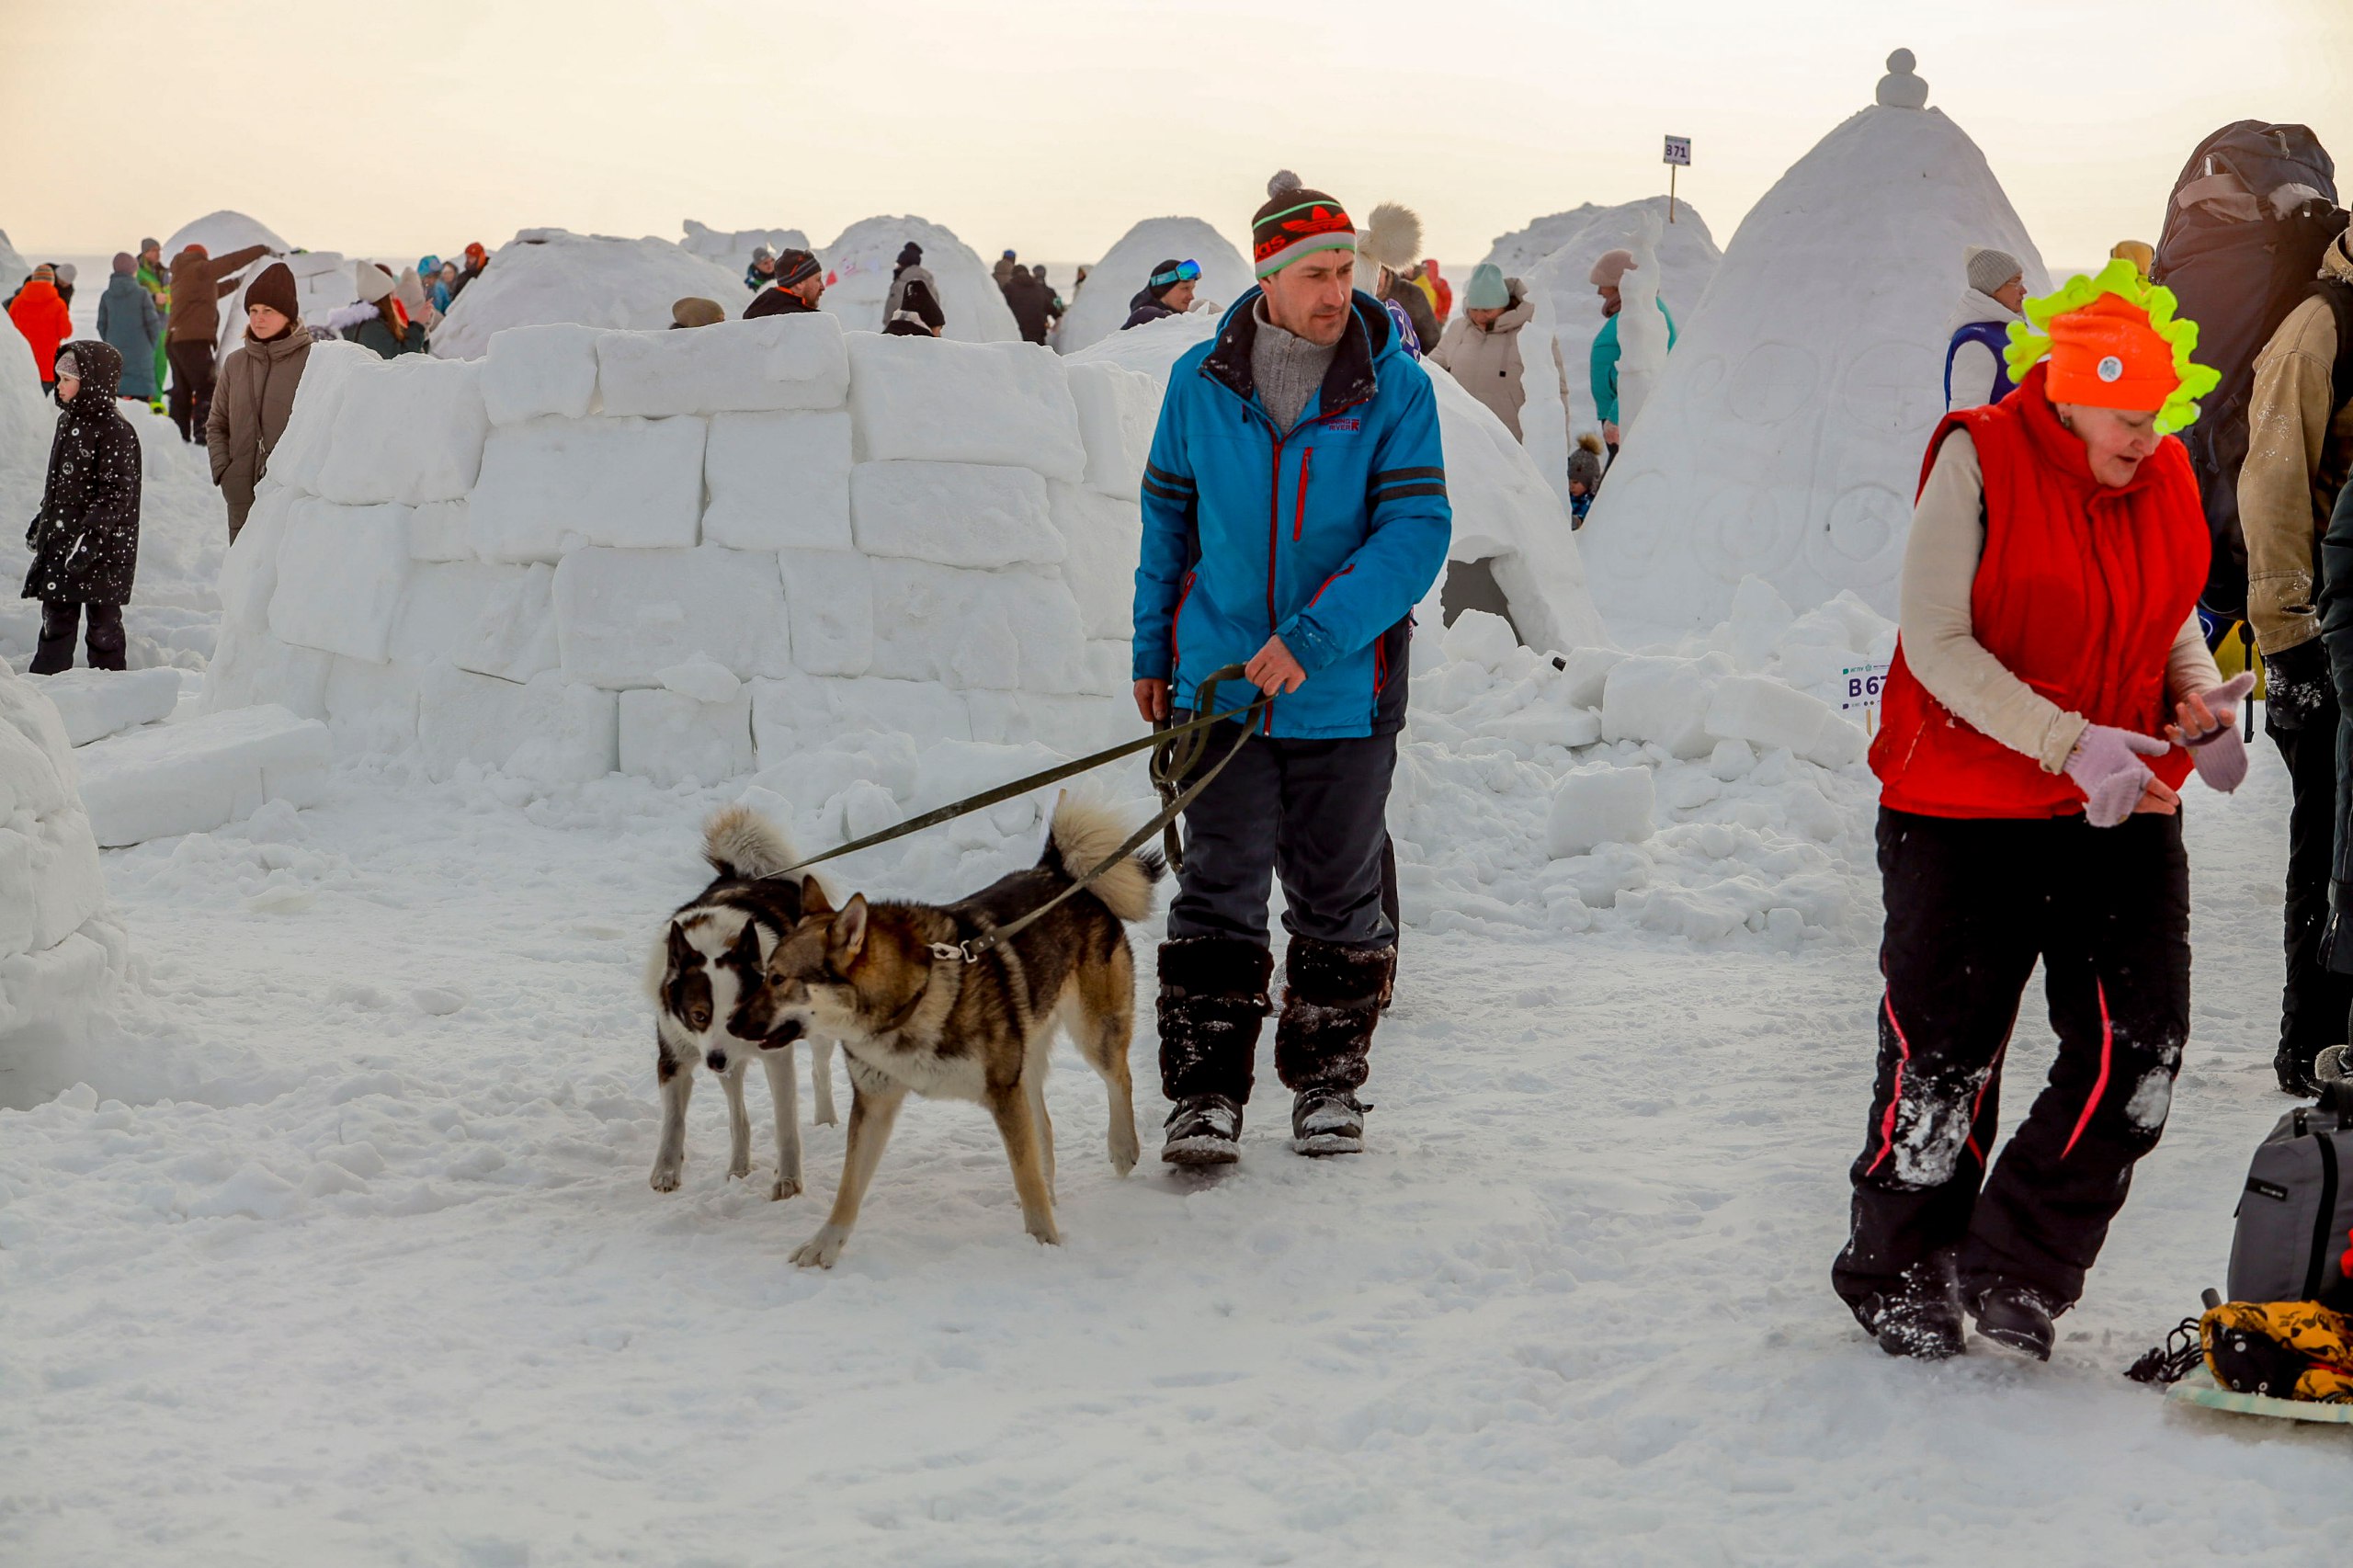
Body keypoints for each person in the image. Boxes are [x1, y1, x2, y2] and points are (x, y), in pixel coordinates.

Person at [1834, 261, 2234, 1361]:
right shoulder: (1980, 456)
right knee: (1945, 1057)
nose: (2145, 436)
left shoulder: (2160, 475)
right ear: (2065, 390)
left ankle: (2016, 1264)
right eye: (2124, 416)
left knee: (2137, 1048)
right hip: (1964, 804)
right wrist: (2067, 737)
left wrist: (2195, 702)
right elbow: (1936, 642)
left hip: (2117, 800)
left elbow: (2166, 619)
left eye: (2158, 415)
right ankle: (1899, 1266)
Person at [1133, 171, 1451, 1165]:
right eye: (1312, 272)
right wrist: (1153, 648)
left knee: (1337, 892)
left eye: (1344, 269)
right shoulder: (1198, 382)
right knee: (1218, 889)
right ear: (1266, 278)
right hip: (1219, 685)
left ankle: (1327, 1084)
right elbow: (1166, 524)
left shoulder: (1393, 384)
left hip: (1344, 689)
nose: (1333, 291)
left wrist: (1312, 639)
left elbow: (1414, 532)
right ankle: (1203, 1096)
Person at [2238, 216, 2353, 1094]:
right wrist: (2291, 640)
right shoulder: (2319, 327)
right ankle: (2307, 1038)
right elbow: (2272, 484)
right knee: (2325, 837)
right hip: (2318, 632)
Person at [21, 342, 141, 674]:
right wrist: (43, 520)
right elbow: (59, 486)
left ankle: (109, 686)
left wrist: (91, 537)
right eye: (58, 378)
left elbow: (116, 493)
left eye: (66, 379)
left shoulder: (115, 430)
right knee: (55, 619)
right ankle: (47, 685)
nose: (59, 386)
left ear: (91, 381)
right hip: (64, 542)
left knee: (103, 627)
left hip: (101, 546)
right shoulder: (67, 423)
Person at [205, 263, 313, 540]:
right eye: (253, 310)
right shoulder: (235, 363)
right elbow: (217, 424)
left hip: (290, 496)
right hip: (240, 494)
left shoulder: (312, 361)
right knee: (241, 580)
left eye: (268, 311)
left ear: (288, 315)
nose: (258, 318)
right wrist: (224, 471)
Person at [165, 238, 272, 443]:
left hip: (175, 341)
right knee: (207, 386)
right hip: (193, 341)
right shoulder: (200, 267)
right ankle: (203, 433)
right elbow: (231, 262)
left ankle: (178, 436)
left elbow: (213, 291)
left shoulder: (182, 276)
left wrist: (240, 282)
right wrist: (262, 249)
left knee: (182, 390)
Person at [1430, 262, 1550, 440]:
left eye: (1487, 310)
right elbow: (1432, 368)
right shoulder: (1458, 329)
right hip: (1462, 434)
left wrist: (1552, 446)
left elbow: (1552, 394)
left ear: (1504, 305)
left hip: (1511, 440)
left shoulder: (1530, 333)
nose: (1479, 316)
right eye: (1475, 309)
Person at [1588, 248, 1677, 449]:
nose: (1599, 292)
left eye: (1603, 284)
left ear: (1620, 282)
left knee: (1619, 478)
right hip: (1620, 413)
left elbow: (1645, 369)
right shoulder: (1635, 310)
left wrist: (1617, 416)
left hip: (1628, 415)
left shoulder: (1645, 314)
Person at [1945, 245, 2029, 410]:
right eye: (2016, 282)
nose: (2024, 290)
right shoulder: (1976, 342)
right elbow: (1967, 413)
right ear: (1993, 288)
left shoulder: (2001, 333)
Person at [96, 254, 163, 404]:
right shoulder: (142, 294)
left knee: (118, 407)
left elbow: (101, 325)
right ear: (133, 271)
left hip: (115, 353)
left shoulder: (107, 296)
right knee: (142, 408)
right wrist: (149, 346)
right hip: (141, 355)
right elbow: (153, 324)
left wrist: (111, 341)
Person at [6, 264, 74, 392]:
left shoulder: (17, 302)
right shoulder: (59, 304)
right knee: (42, 405)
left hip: (22, 362)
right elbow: (66, 332)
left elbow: (8, 330)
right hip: (47, 366)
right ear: (52, 282)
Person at [134, 240, 171, 408]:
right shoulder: (138, 272)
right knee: (147, 362)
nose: (157, 254)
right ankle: (144, 399)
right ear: (145, 252)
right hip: (146, 325)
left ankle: (156, 400)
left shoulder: (164, 272)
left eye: (159, 250)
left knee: (161, 363)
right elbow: (133, 295)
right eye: (153, 250)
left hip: (164, 323)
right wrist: (153, 297)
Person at [883, 242, 945, 338]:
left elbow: (899, 314)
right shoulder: (931, 286)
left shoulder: (900, 286)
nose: (897, 267)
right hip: (930, 339)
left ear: (904, 265)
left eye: (898, 264)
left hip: (903, 339)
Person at [745, 248, 825, 319]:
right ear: (799, 283)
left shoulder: (763, 304)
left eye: (771, 261)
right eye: (818, 280)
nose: (823, 287)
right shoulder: (798, 319)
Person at [1122, 258, 1199, 330]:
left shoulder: (1176, 316)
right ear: (1164, 289)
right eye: (1185, 288)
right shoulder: (1147, 317)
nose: (1191, 297)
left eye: (1192, 289)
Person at [1002, 262, 1055, 344]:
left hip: (1019, 328)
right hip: (1039, 327)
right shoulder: (1043, 289)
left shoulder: (1009, 287)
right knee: (1039, 353)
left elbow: (1003, 307)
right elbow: (1055, 306)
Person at [1566, 432, 1606, 525]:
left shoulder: (1590, 501)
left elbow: (1583, 522)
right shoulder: (1568, 497)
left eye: (1575, 482)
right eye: (1569, 482)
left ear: (1588, 482)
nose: (1571, 486)